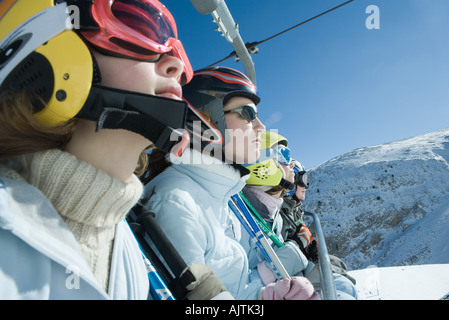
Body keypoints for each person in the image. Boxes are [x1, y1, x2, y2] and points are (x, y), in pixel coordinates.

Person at [0, 0, 226, 300]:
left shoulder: (124, 243)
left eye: (176, 53)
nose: (179, 67)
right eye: (140, 26)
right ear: (44, 44)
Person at [142, 66, 318, 300]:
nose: (261, 127)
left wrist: (268, 296)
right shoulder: (176, 204)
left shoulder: (223, 197)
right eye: (247, 114)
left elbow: (231, 291)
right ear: (207, 120)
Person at [242, 132, 358, 299]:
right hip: (273, 288)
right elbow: (234, 288)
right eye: (284, 155)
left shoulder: (274, 216)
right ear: (264, 164)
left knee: (345, 288)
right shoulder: (238, 219)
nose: (290, 166)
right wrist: (286, 258)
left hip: (290, 281)